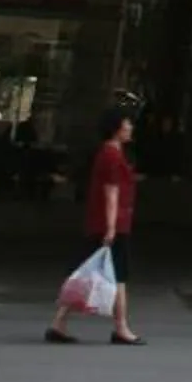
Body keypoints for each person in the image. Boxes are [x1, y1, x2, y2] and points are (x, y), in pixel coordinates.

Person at [48, 109, 142, 345]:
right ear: (117, 128)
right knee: (119, 276)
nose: (130, 127)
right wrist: (111, 227)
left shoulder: (111, 154)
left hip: (104, 223)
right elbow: (111, 192)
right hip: (112, 225)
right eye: (127, 123)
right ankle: (121, 328)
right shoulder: (111, 156)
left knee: (86, 274)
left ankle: (59, 323)